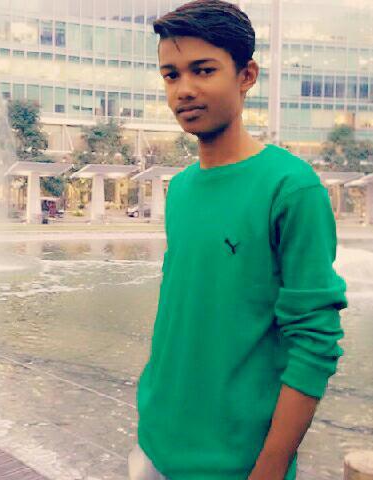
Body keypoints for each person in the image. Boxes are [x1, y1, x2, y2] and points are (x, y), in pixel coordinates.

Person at [130, 1, 348, 480]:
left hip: (236, 465)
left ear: (246, 75)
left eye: (203, 70)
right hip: (154, 444)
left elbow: (315, 342)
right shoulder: (181, 188)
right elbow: (184, 310)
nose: (184, 89)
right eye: (171, 75)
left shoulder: (292, 188)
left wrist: (270, 467)